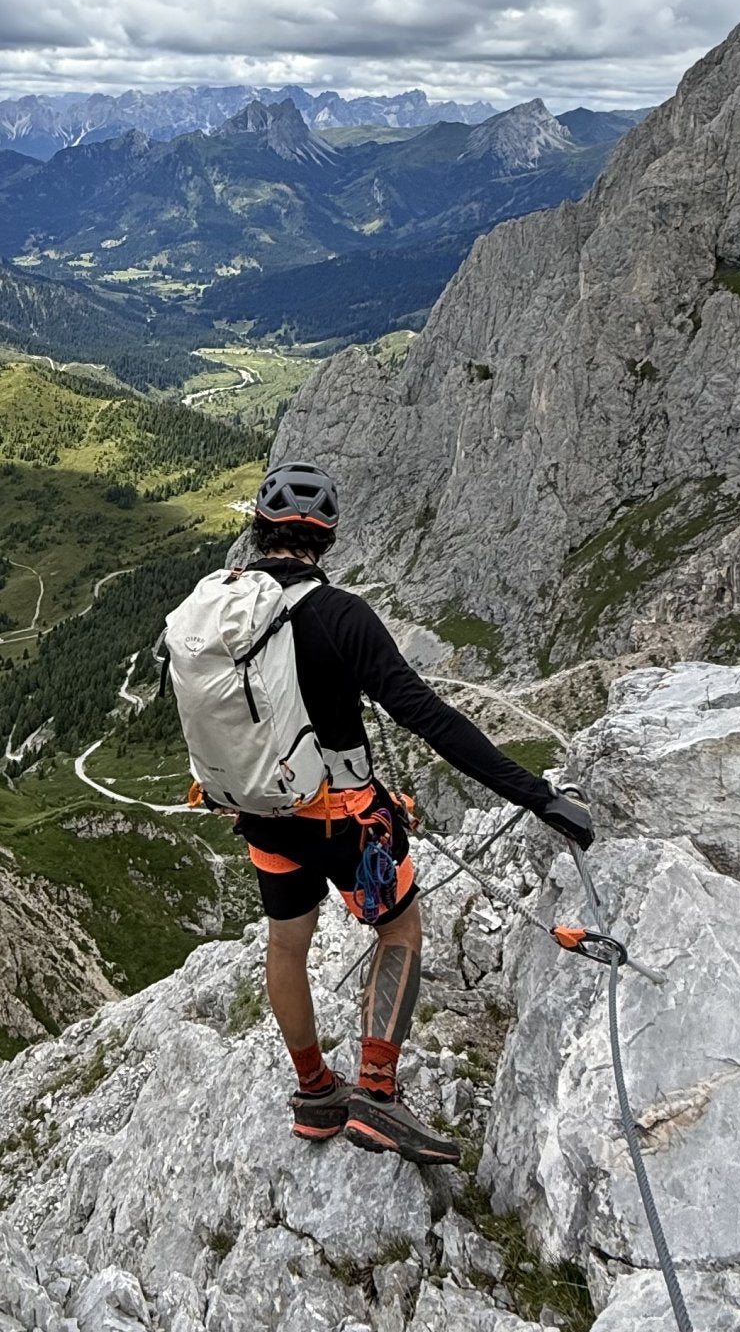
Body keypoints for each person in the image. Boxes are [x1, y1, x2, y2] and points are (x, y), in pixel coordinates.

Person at [235, 461, 593, 1164]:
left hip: (262, 812)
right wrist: (537, 795)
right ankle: (376, 1091)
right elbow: (431, 720)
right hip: (342, 821)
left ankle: (315, 1094)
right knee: (398, 929)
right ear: (326, 538)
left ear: (260, 530)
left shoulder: (222, 609)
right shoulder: (341, 615)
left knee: (286, 946)